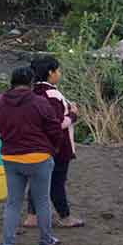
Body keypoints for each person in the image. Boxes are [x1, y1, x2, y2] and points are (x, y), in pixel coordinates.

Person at [0, 66, 64, 245]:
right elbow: (54, 128)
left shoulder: (0, 101)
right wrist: (53, 148)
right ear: (31, 83)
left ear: (12, 82)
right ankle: (45, 240)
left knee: (12, 203)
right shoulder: (39, 102)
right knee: (42, 201)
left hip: (11, 157)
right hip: (39, 158)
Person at [24, 55, 83, 229]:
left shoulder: (30, 91)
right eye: (58, 70)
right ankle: (65, 217)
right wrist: (73, 114)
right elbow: (57, 123)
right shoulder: (52, 94)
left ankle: (31, 216)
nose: (59, 73)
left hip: (36, 144)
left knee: (37, 179)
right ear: (50, 72)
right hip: (57, 146)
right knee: (57, 182)